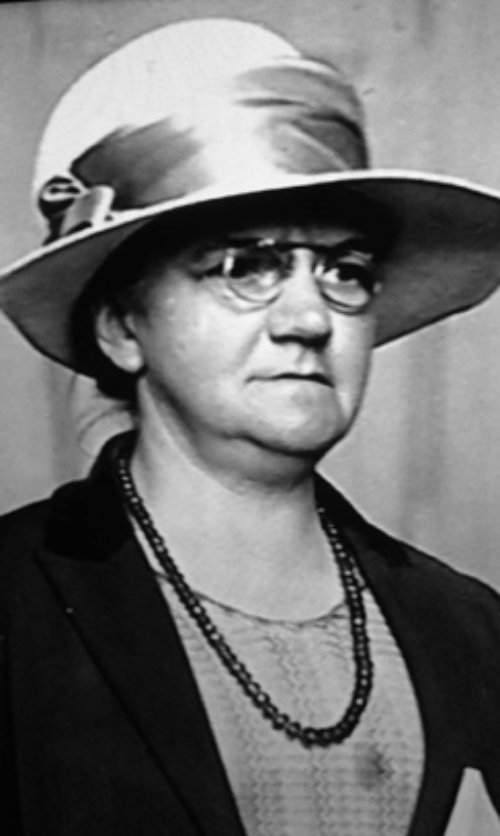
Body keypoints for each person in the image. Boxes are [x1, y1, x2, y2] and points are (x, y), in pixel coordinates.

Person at [0, 17, 500, 836]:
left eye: (345, 271)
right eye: (245, 265)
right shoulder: (15, 604)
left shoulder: (472, 629)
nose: (309, 317)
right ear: (122, 327)